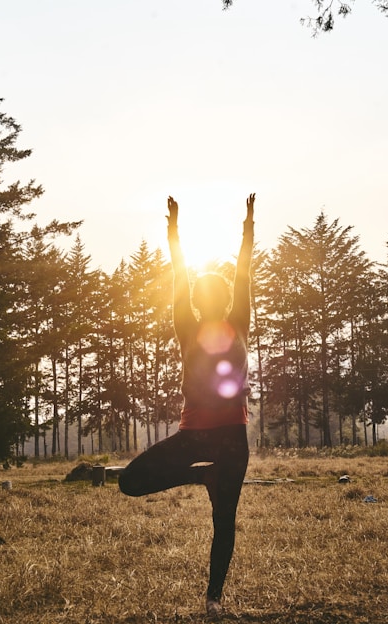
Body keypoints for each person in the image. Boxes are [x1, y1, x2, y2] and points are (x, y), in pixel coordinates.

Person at [119, 193, 255, 618]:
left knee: (221, 520)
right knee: (220, 521)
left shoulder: (223, 322)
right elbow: (237, 275)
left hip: (210, 436)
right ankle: (213, 596)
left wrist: (175, 231)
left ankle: (214, 598)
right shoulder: (199, 325)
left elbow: (229, 277)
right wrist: (245, 226)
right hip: (212, 438)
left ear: (201, 299)